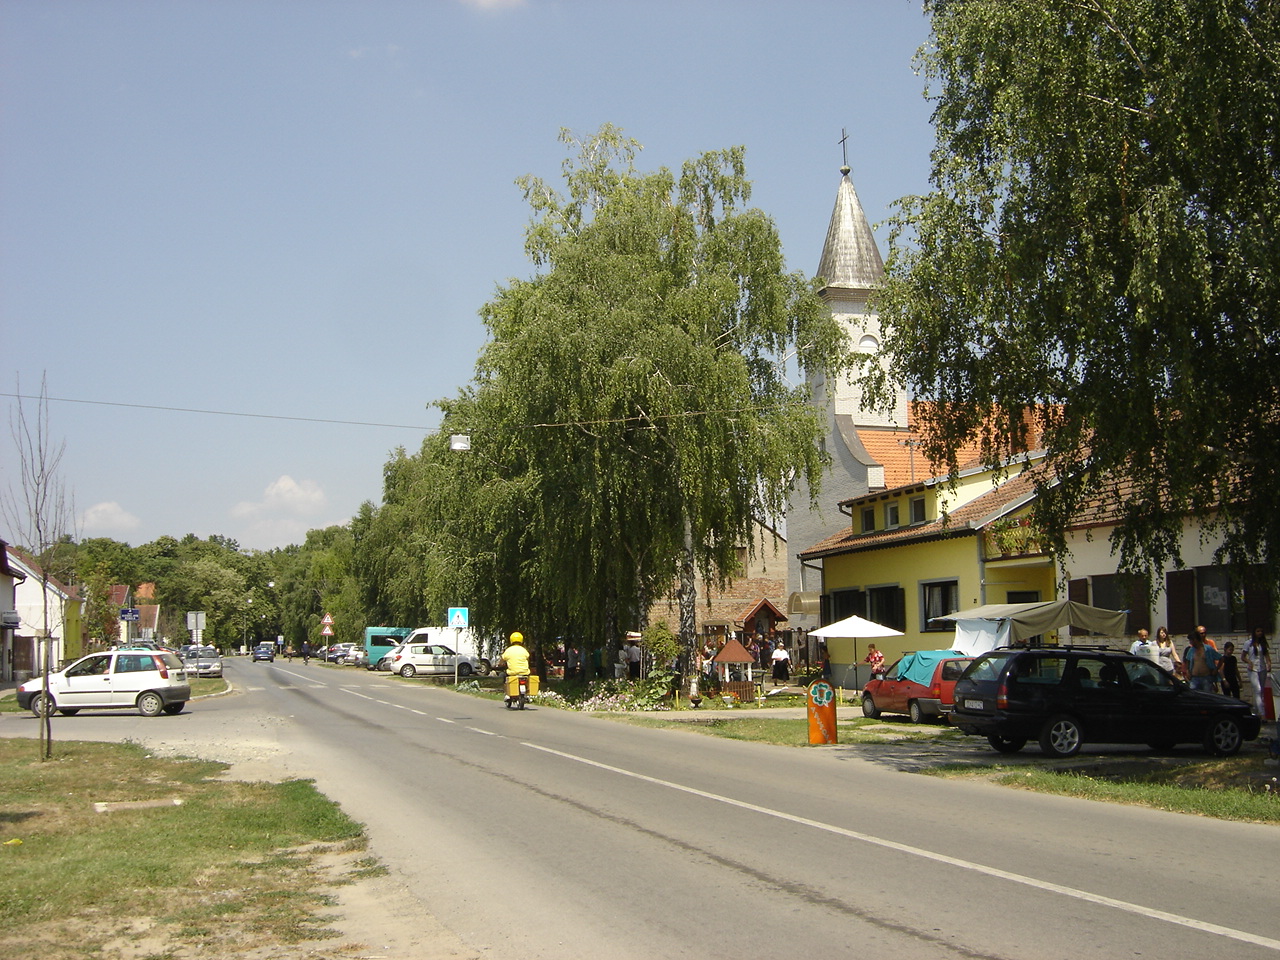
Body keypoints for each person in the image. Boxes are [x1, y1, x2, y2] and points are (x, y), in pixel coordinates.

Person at [1242, 627, 1272, 717]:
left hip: (1262, 668)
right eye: (1258, 631)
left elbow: (1266, 655)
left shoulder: (1263, 644)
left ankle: (1256, 711)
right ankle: (1263, 714)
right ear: (1254, 632)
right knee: (1258, 689)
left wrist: (1269, 664)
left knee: (1260, 691)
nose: (1259, 633)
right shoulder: (1248, 643)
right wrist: (1249, 662)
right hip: (1252, 669)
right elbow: (1243, 657)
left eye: (1261, 631)